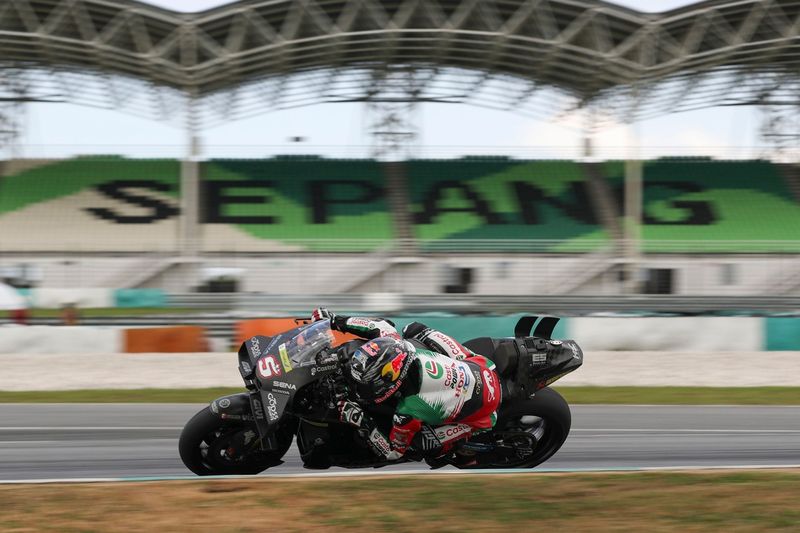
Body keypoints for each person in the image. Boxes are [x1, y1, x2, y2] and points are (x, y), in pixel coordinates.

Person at [310, 308, 502, 464]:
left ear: (393, 383)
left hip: (485, 413)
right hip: (481, 365)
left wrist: (361, 419)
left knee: (423, 446)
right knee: (414, 328)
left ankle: (465, 452)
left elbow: (393, 451)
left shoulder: (408, 410)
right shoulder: (395, 345)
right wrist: (334, 320)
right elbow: (378, 325)